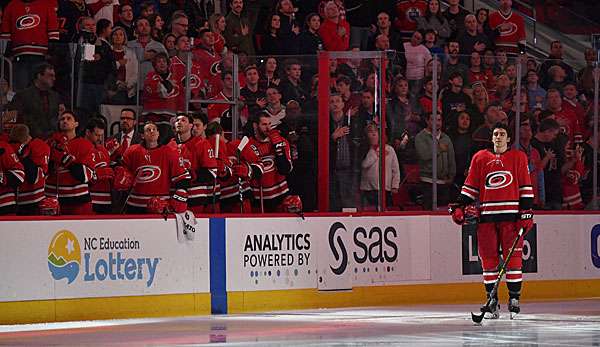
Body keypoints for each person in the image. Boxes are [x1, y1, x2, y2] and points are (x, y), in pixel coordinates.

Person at [450, 122, 534, 319]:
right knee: (488, 261)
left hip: (511, 218)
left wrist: (526, 212)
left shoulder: (518, 157)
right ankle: (492, 300)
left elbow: (526, 188)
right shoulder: (480, 158)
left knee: (513, 260)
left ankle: (514, 300)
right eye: (495, 134)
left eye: (502, 134)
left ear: (509, 138)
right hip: (486, 218)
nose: (498, 137)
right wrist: (459, 206)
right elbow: (470, 187)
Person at [116, 122, 191, 214]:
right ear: (142, 135)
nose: (152, 131)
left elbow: (182, 178)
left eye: (154, 129)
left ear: (158, 134)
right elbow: (122, 169)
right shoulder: (132, 151)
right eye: (148, 130)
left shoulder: (170, 152)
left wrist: (180, 196)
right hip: (135, 204)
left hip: (160, 206)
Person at [0, 0, 59, 90]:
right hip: (18, 57)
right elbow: (5, 33)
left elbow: (53, 30)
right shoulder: (12, 5)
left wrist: (51, 52)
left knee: (41, 89)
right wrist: (8, 53)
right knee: (20, 90)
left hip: (41, 56)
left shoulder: (46, 5)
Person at [45, 111, 96, 215]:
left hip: (78, 202)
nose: (65, 121)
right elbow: (45, 170)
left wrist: (64, 159)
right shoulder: (50, 143)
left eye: (69, 118)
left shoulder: (85, 145)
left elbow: (86, 175)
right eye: (62, 119)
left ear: (76, 124)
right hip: (53, 202)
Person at [170, 113, 221, 213]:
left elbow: (212, 172)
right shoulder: (169, 146)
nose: (179, 122)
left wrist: (191, 175)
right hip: (173, 197)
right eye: (177, 120)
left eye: (183, 120)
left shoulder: (201, 143)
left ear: (190, 125)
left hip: (195, 198)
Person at [248, 112, 293, 212]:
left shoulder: (281, 141)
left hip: (281, 196)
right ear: (255, 126)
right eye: (264, 124)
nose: (268, 128)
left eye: (269, 124)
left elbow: (286, 170)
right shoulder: (248, 145)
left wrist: (279, 151)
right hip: (258, 198)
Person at [8, 63, 64, 139]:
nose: (54, 79)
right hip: (29, 138)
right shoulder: (22, 96)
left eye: (54, 76)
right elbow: (16, 118)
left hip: (52, 140)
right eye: (50, 75)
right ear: (39, 76)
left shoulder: (56, 96)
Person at [415, 112, 455, 210]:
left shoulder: (446, 138)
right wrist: (438, 149)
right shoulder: (421, 137)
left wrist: (451, 175)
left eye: (439, 120)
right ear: (427, 121)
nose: (437, 123)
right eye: (433, 120)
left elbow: (451, 158)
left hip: (443, 182)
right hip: (428, 181)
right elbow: (424, 155)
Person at [8, 124, 49, 215]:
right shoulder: (8, 146)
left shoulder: (39, 146)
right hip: (14, 202)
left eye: (17, 142)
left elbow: (33, 178)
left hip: (34, 202)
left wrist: (23, 156)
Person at [360, 122, 400, 210]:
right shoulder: (364, 149)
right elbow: (364, 165)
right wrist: (376, 154)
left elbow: (395, 169)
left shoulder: (389, 149)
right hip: (369, 190)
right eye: (370, 131)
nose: (374, 134)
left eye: (376, 131)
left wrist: (395, 185)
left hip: (385, 189)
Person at [84, 118, 114, 214]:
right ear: (88, 132)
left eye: (101, 135)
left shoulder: (103, 150)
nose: (100, 138)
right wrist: (96, 175)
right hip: (88, 199)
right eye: (96, 135)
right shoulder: (80, 148)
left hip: (106, 199)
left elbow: (108, 174)